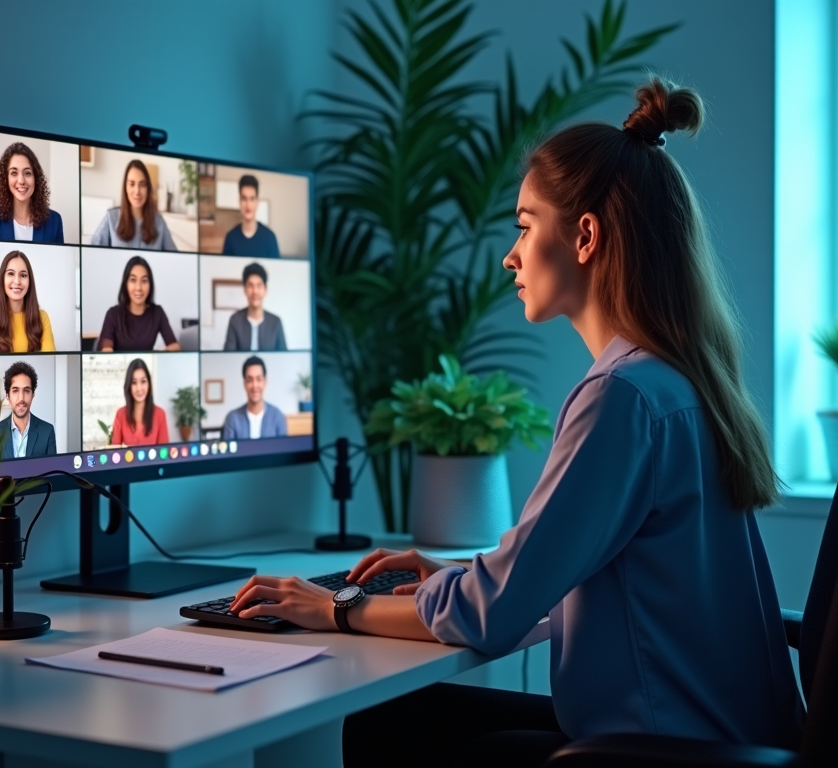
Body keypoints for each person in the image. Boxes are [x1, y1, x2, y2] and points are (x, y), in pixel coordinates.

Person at [229, 77, 805, 767]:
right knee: (405, 717)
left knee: (392, 725)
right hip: (724, 740)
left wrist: (336, 607)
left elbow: (493, 616)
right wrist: (455, 573)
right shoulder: (681, 380)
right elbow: (565, 577)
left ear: (584, 235)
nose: (511, 254)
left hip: (656, 751)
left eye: (526, 226)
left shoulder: (621, 398)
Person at [0, 142, 65, 243]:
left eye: (27, 173)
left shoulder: (54, 221)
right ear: (5, 178)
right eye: (14, 173)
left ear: (36, 178)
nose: (21, 181)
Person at [0, 250, 55, 352]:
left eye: (23, 275)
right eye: (11, 274)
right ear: (2, 279)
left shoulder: (42, 318)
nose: (17, 281)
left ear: (30, 281)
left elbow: (49, 358)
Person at [90, 159, 177, 250]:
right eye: (132, 184)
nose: (137, 191)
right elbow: (92, 253)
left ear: (148, 188)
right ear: (125, 187)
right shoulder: (111, 218)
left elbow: (175, 258)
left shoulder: (159, 222)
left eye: (142, 184)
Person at [98, 256, 180, 352]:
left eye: (144, 281)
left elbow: (174, 346)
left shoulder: (157, 312)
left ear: (150, 284)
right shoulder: (113, 314)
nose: (138, 287)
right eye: (133, 280)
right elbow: (106, 349)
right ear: (126, 283)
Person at [0, 361, 57, 458]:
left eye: (26, 391)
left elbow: (52, 471)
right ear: (8, 396)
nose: (21, 398)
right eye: (15, 391)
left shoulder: (47, 431)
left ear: (33, 395)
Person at [223, 262, 287, 351]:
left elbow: (282, 356)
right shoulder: (235, 320)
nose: (255, 291)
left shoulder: (276, 322)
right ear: (245, 290)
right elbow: (228, 355)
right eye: (250, 286)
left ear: (265, 290)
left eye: (259, 285)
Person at [221, 356, 288, 439]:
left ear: (265, 382)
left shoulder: (277, 416)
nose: (254, 385)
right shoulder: (233, 418)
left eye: (259, 379)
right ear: (244, 384)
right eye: (249, 380)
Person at [110, 358, 170, 446]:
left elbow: (164, 454)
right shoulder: (121, 414)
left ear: (149, 383)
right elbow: (114, 453)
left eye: (143, 381)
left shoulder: (160, 414)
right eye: (134, 383)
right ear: (128, 386)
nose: (139, 388)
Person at [221, 175, 280, 257]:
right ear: (239, 202)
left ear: (257, 202)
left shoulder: (270, 238)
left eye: (252, 199)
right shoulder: (230, 238)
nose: (248, 205)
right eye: (244, 199)